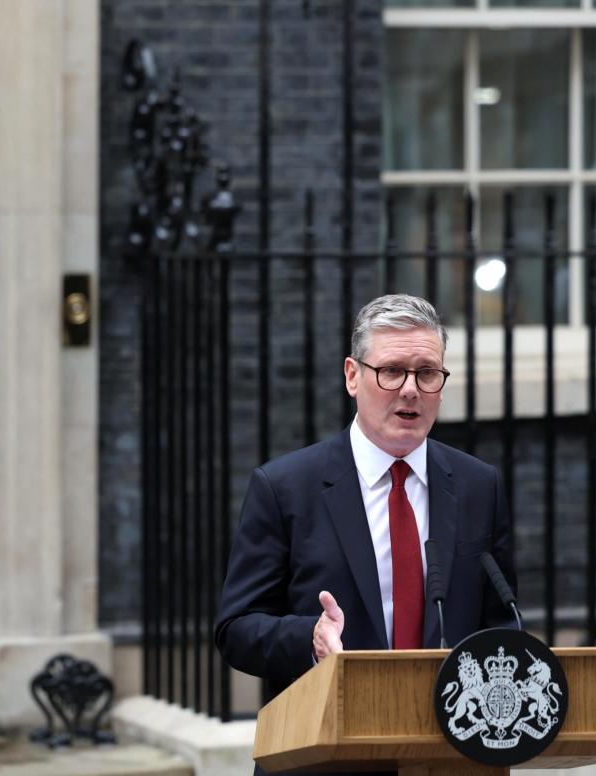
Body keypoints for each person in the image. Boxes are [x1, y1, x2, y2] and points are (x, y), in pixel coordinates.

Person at [215, 294, 516, 775]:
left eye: (427, 373)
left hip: (450, 759)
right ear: (353, 376)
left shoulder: (479, 485)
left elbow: (501, 623)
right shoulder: (286, 487)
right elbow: (236, 629)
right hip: (325, 758)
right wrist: (309, 639)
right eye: (392, 371)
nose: (411, 390)